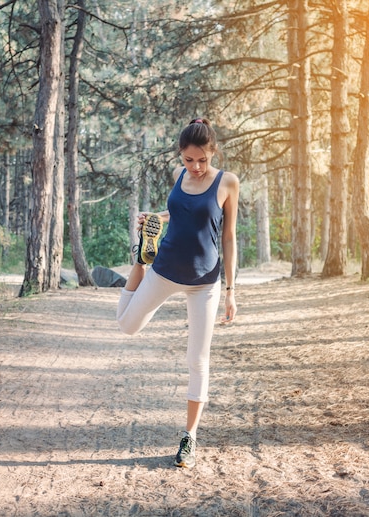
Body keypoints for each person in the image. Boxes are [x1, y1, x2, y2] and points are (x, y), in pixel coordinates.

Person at [116, 118, 239, 468]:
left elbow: (228, 237)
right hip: (165, 269)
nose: (196, 167)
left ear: (212, 152)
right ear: (181, 156)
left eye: (202, 160)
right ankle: (139, 262)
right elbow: (179, 212)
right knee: (127, 326)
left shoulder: (227, 181)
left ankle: (189, 437)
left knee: (197, 360)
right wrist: (155, 217)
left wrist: (231, 290)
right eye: (189, 160)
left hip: (205, 281)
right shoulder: (178, 176)